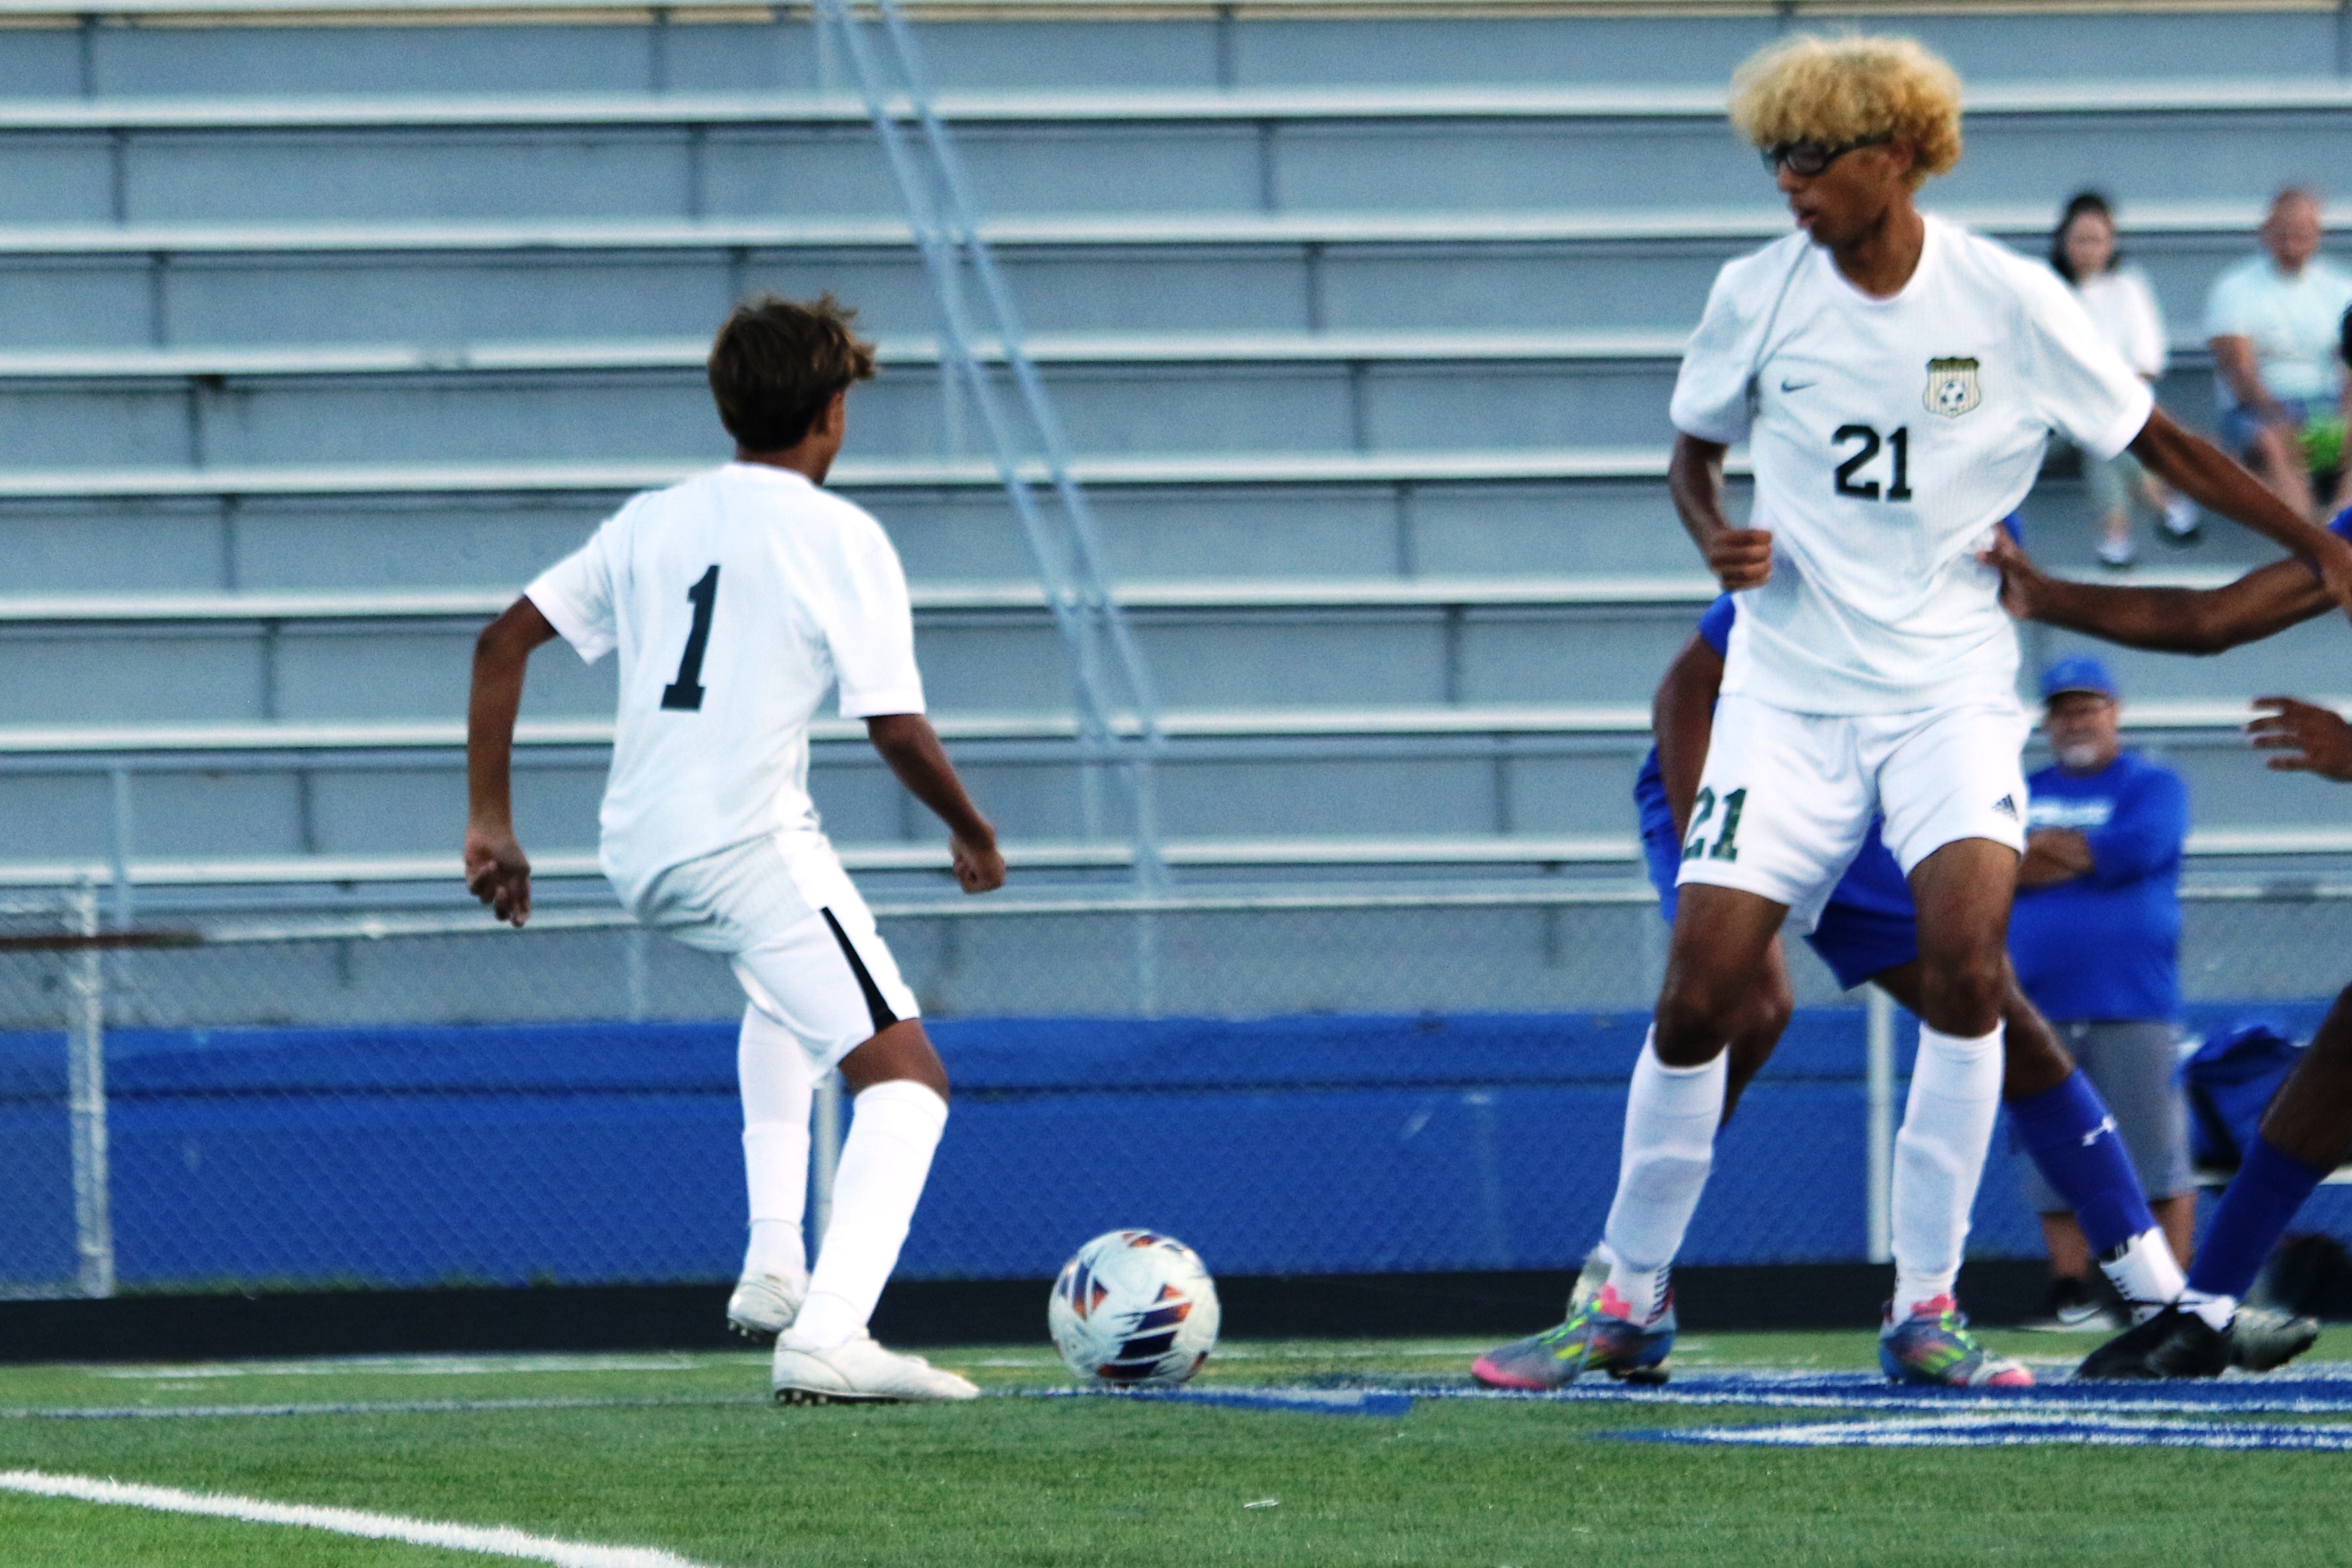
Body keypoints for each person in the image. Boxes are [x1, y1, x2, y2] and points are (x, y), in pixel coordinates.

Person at [1471, 31, 2352, 1394]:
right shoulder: (1753, 292)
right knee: (1701, 993)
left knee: (1969, 972)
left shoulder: (2006, 299)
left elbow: (2161, 443)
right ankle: (1623, 1300)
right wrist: (1709, 528)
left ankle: (1926, 1307)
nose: (1787, 179)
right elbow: (1692, 455)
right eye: (1773, 156)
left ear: (1895, 154)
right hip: (1786, 692)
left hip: (1946, 693)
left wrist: (2310, 540)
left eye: (1810, 155)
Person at [464, 294, 1007, 1404]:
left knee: (787, 996)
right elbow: (896, 728)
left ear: (727, 405)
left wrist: (491, 823)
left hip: (640, 848)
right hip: (748, 844)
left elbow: (501, 642)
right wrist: (972, 826)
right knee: (909, 1081)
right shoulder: (840, 536)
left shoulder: (651, 520)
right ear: (834, 412)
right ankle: (830, 1333)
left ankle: (773, 1263)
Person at [1490, 592, 2196, 1388]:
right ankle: (1630, 1288)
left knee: (1991, 1009)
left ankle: (2148, 1300)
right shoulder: (1832, 543)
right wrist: (1706, 850)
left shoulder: (1979, 583)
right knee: (1741, 1009)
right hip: (1747, 773)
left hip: (1869, 793)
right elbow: (1686, 685)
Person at [1984, 518, 2352, 1376]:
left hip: (2130, 1002)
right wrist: (2042, 593)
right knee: (2330, 1073)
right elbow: (2207, 618)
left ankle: (2201, 1308)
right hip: (2059, 992)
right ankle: (2202, 1314)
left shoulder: (2147, 786)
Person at [2009, 656, 2195, 1331]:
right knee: (2050, 1153)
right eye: (2062, 710)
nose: (2075, 721)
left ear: (2113, 712)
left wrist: (2047, 850)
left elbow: (2137, 849)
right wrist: (2082, 853)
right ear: (2046, 722)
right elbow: (1999, 862)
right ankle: (2069, 1290)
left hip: (2132, 998)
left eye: (2087, 707)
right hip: (2035, 1002)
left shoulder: (2154, 784)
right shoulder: (2018, 787)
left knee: (2153, 1152)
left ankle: (2165, 1295)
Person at [2047, 191, 2199, 568]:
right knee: (2104, 430)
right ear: (2063, 241)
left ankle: (2115, 537)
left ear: (2112, 243)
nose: (2088, 249)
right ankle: (2162, 501)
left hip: (2117, 407)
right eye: (2080, 239)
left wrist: (2109, 397)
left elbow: (2148, 360)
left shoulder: (2130, 287)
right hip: (2057, 416)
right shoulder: (2046, 290)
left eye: (2097, 240)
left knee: (2104, 437)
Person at [2206, 187, 2352, 520]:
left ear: (2318, 233)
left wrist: (2344, 413)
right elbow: (2238, 368)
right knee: (2274, 444)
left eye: (2301, 232)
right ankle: (2310, 535)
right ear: (2266, 231)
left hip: (2326, 405)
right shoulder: (2235, 288)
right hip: (2258, 410)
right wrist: (2278, 415)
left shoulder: (2341, 287)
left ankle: (2341, 527)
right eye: (2283, 232)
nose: (2291, 242)